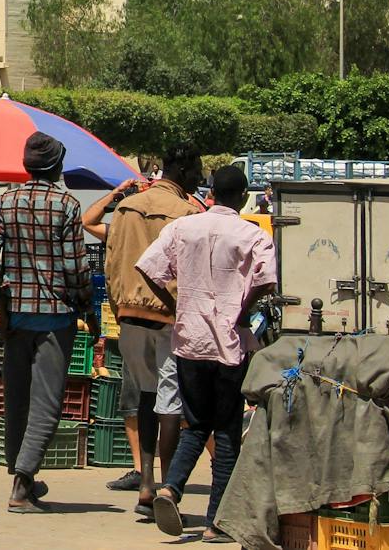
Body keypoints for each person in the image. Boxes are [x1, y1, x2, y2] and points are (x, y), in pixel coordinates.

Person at [140, 164, 276, 542]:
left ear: (212, 192)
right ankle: (217, 522)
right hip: (230, 346)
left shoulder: (182, 228)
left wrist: (175, 300)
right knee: (228, 431)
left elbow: (149, 268)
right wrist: (243, 309)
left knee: (195, 424)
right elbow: (266, 281)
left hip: (189, 342)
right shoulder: (253, 235)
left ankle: (171, 488)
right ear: (245, 196)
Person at [0, 132, 91, 514]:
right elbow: (75, 266)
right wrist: (86, 305)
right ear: (57, 167)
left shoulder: (6, 201)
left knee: (16, 399)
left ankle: (22, 474)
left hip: (14, 316)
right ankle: (22, 483)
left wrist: (1, 306)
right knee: (46, 403)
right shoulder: (67, 204)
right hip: (55, 318)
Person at [82, 161, 198, 515]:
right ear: (185, 172)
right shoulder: (188, 213)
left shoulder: (128, 209)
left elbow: (111, 259)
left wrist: (119, 307)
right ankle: (167, 487)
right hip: (170, 317)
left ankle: (146, 482)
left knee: (146, 399)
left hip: (131, 315)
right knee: (170, 403)